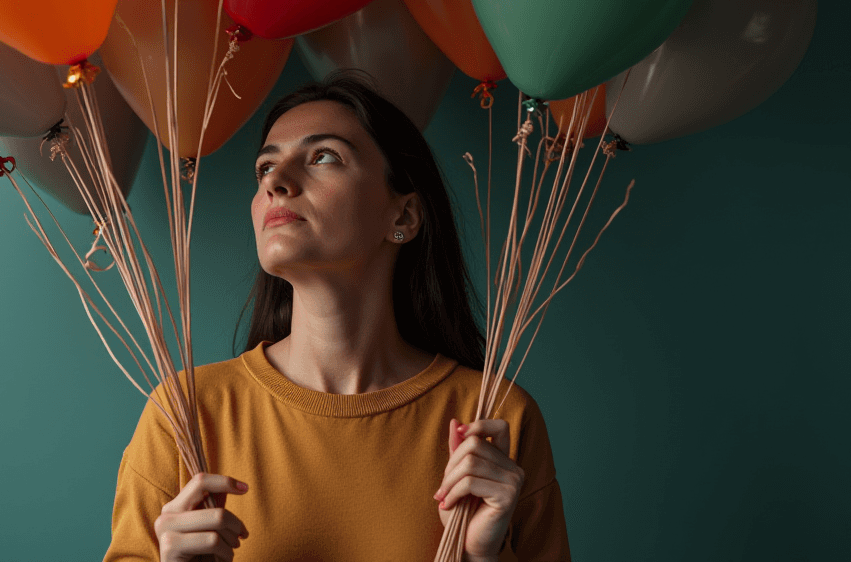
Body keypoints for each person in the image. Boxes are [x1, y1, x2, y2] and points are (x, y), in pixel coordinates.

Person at [103, 72, 571, 562]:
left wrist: (482, 558)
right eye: (265, 168)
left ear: (404, 217)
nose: (276, 182)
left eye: (324, 156)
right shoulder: (184, 415)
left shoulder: (495, 419)